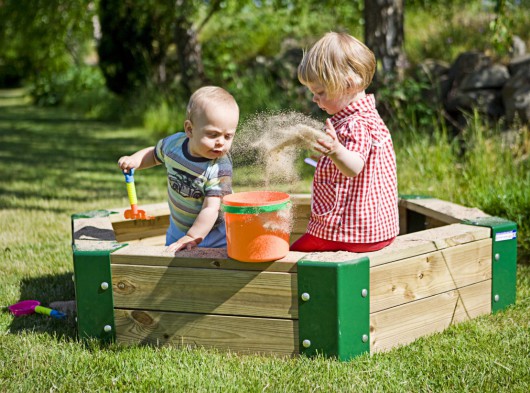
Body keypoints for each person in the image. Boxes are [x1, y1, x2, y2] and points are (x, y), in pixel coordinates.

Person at [290, 32, 399, 253]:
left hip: (348, 233)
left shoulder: (355, 124)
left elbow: (354, 167)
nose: (314, 98)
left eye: (320, 92)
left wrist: (336, 150)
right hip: (377, 231)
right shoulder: (369, 118)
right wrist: (325, 156)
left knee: (291, 257)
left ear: (349, 85)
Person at [118, 86, 239, 252]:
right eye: (213, 134)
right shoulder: (174, 145)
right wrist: (135, 160)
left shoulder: (219, 167)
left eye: (228, 136)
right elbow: (153, 154)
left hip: (213, 235)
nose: (220, 142)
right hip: (177, 227)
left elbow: (211, 208)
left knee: (210, 272)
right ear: (189, 129)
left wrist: (192, 236)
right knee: (171, 266)